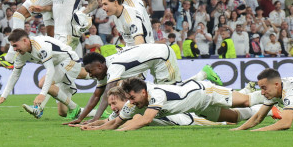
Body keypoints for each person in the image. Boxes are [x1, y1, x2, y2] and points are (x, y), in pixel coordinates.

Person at [67, 44, 221, 125]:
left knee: (173, 91)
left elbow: (106, 95)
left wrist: (95, 119)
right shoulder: (104, 69)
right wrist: (81, 118)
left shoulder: (114, 66)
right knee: (169, 92)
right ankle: (202, 76)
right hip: (155, 59)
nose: (90, 75)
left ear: (99, 66)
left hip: (163, 56)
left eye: (90, 71)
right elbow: (96, 95)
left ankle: (203, 75)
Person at [0, 29, 83, 119]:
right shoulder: (20, 53)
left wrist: (42, 94)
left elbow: (50, 70)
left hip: (71, 61)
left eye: (15, 45)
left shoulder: (40, 46)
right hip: (58, 66)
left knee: (43, 83)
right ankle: (86, 112)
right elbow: (15, 74)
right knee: (63, 112)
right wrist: (3, 96)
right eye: (13, 46)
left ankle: (72, 107)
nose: (14, 49)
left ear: (25, 41)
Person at [112, 77, 257, 131]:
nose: (131, 102)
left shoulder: (156, 94)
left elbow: (146, 119)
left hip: (205, 92)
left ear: (143, 92)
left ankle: (267, 98)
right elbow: (113, 122)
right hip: (199, 108)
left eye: (132, 98)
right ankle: (264, 109)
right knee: (234, 118)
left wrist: (120, 131)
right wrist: (99, 130)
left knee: (246, 101)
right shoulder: (135, 104)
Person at [77, 86, 227, 130]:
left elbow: (127, 123)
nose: (112, 107)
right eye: (110, 105)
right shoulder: (125, 112)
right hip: (183, 116)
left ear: (126, 100)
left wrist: (104, 129)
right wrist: (90, 125)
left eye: (114, 103)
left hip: (186, 120)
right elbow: (108, 121)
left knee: (224, 122)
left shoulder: (134, 110)